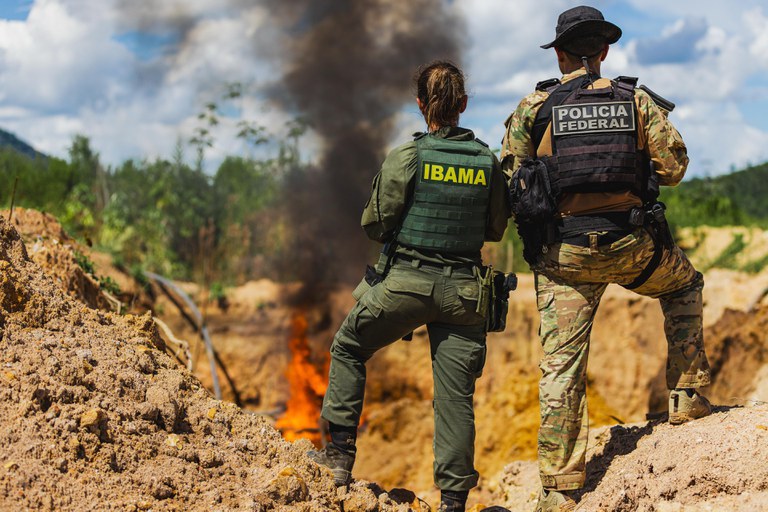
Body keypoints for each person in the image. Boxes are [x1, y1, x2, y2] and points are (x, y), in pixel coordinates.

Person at [500, 6, 712, 511]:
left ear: (559, 53)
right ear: (604, 52)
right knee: (683, 286)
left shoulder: (536, 106)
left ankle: (560, 489)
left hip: (565, 258)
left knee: (561, 366)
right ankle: (687, 399)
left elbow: (512, 174)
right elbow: (676, 166)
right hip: (632, 248)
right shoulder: (636, 100)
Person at [308, 60, 511, 512]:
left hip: (404, 286)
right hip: (464, 294)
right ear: (462, 104)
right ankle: (453, 503)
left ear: (421, 106)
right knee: (455, 398)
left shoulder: (408, 156)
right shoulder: (487, 161)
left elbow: (374, 225)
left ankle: (338, 460)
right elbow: (496, 229)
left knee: (347, 348)